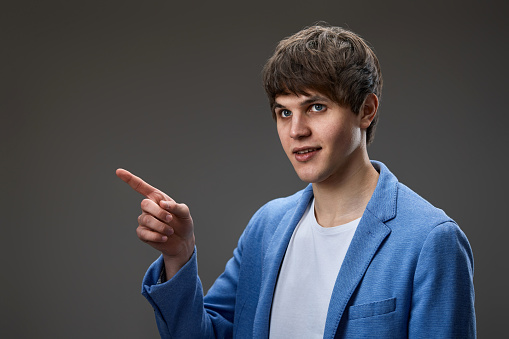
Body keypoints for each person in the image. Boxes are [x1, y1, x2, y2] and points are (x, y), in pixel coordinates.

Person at [116, 23, 476, 338]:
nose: (296, 130)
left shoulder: (432, 240)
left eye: (316, 107)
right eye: (284, 112)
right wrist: (179, 257)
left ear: (366, 110)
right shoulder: (266, 227)